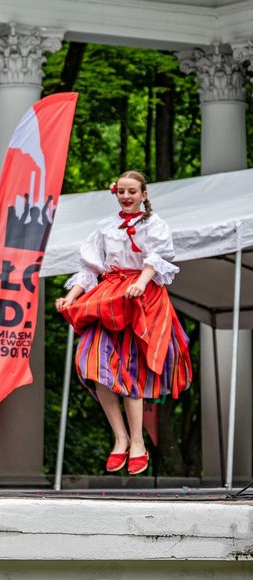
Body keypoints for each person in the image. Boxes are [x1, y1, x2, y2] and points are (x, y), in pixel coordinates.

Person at [56, 171, 192, 475]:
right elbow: (89, 268)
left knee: (131, 368)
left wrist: (141, 284)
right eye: (122, 192)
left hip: (140, 298)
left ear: (144, 194)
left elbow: (156, 259)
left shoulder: (155, 225)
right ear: (116, 193)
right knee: (90, 363)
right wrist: (72, 297)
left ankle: (137, 442)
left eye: (133, 192)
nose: (127, 197)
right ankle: (120, 438)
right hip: (109, 295)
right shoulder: (105, 227)